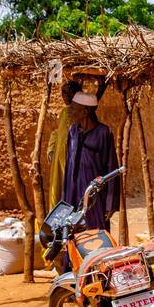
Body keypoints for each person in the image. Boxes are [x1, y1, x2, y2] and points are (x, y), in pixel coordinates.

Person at [62, 90, 119, 231]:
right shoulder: (72, 131)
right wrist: (64, 198)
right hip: (72, 193)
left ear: (85, 112)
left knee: (95, 233)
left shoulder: (104, 133)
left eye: (74, 109)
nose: (70, 112)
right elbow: (68, 164)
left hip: (94, 196)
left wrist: (110, 204)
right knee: (72, 233)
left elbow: (112, 167)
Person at [46, 80, 82, 212]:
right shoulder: (64, 112)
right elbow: (57, 132)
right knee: (58, 189)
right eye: (63, 93)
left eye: (68, 93)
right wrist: (51, 149)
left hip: (71, 158)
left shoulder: (80, 113)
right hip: (59, 159)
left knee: (68, 190)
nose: (65, 96)